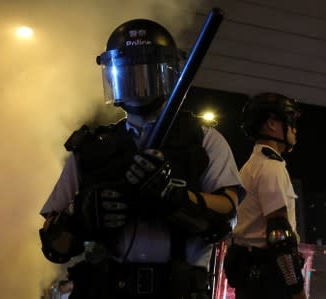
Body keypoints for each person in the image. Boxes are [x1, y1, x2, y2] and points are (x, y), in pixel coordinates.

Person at [39, 18, 244, 299]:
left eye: (147, 70)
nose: (137, 82)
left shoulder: (204, 140)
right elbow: (54, 246)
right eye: (127, 72)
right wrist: (79, 214)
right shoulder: (90, 148)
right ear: (112, 76)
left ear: (169, 73)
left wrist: (176, 198)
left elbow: (226, 217)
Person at [223, 92, 307, 299]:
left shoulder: (250, 166)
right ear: (271, 124)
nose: (295, 130)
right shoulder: (271, 167)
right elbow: (279, 236)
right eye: (291, 121)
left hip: (252, 278)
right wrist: (297, 290)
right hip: (269, 282)